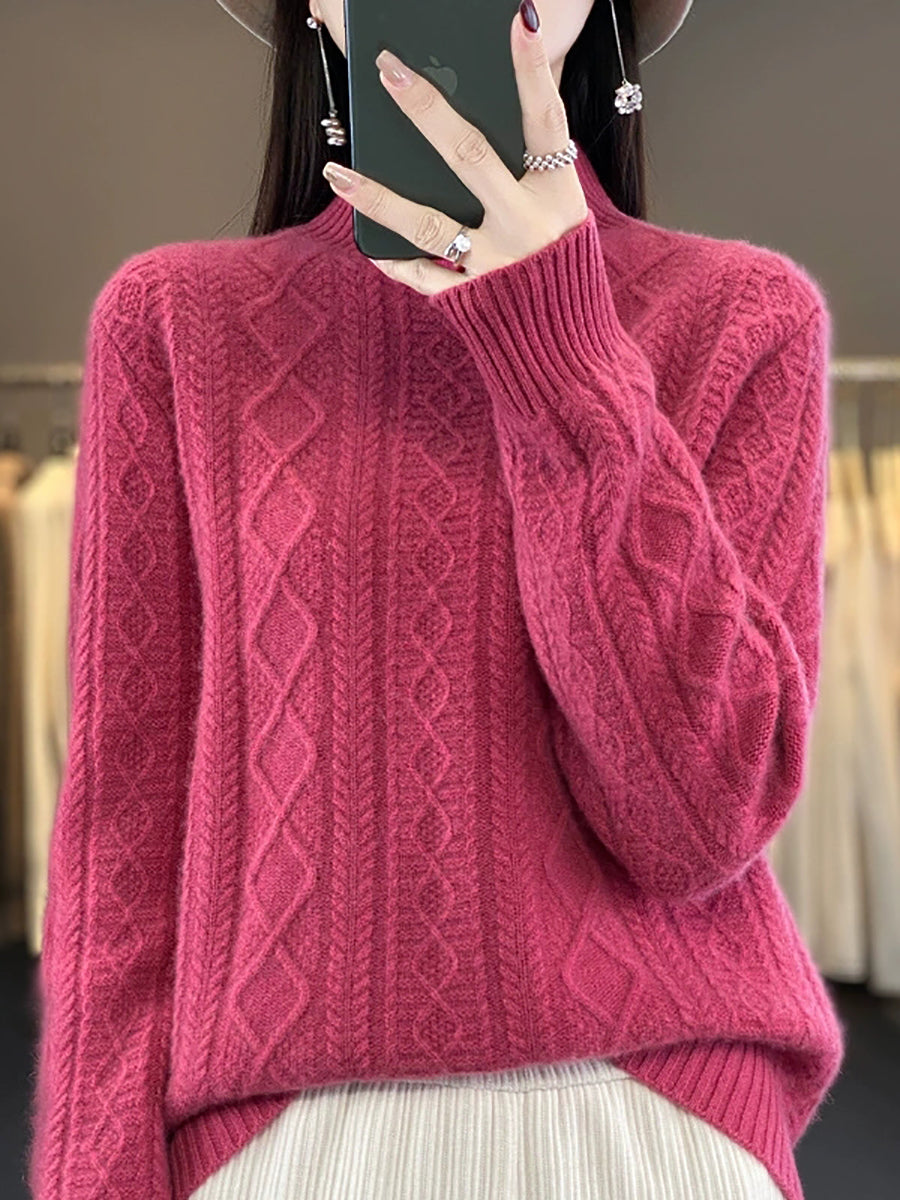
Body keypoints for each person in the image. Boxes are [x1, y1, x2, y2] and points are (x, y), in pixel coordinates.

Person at [27, 2, 846, 1199]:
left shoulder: (742, 317)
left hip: (656, 1125)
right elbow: (122, 851)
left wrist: (561, 348)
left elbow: (696, 824)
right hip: (282, 1146)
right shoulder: (176, 325)